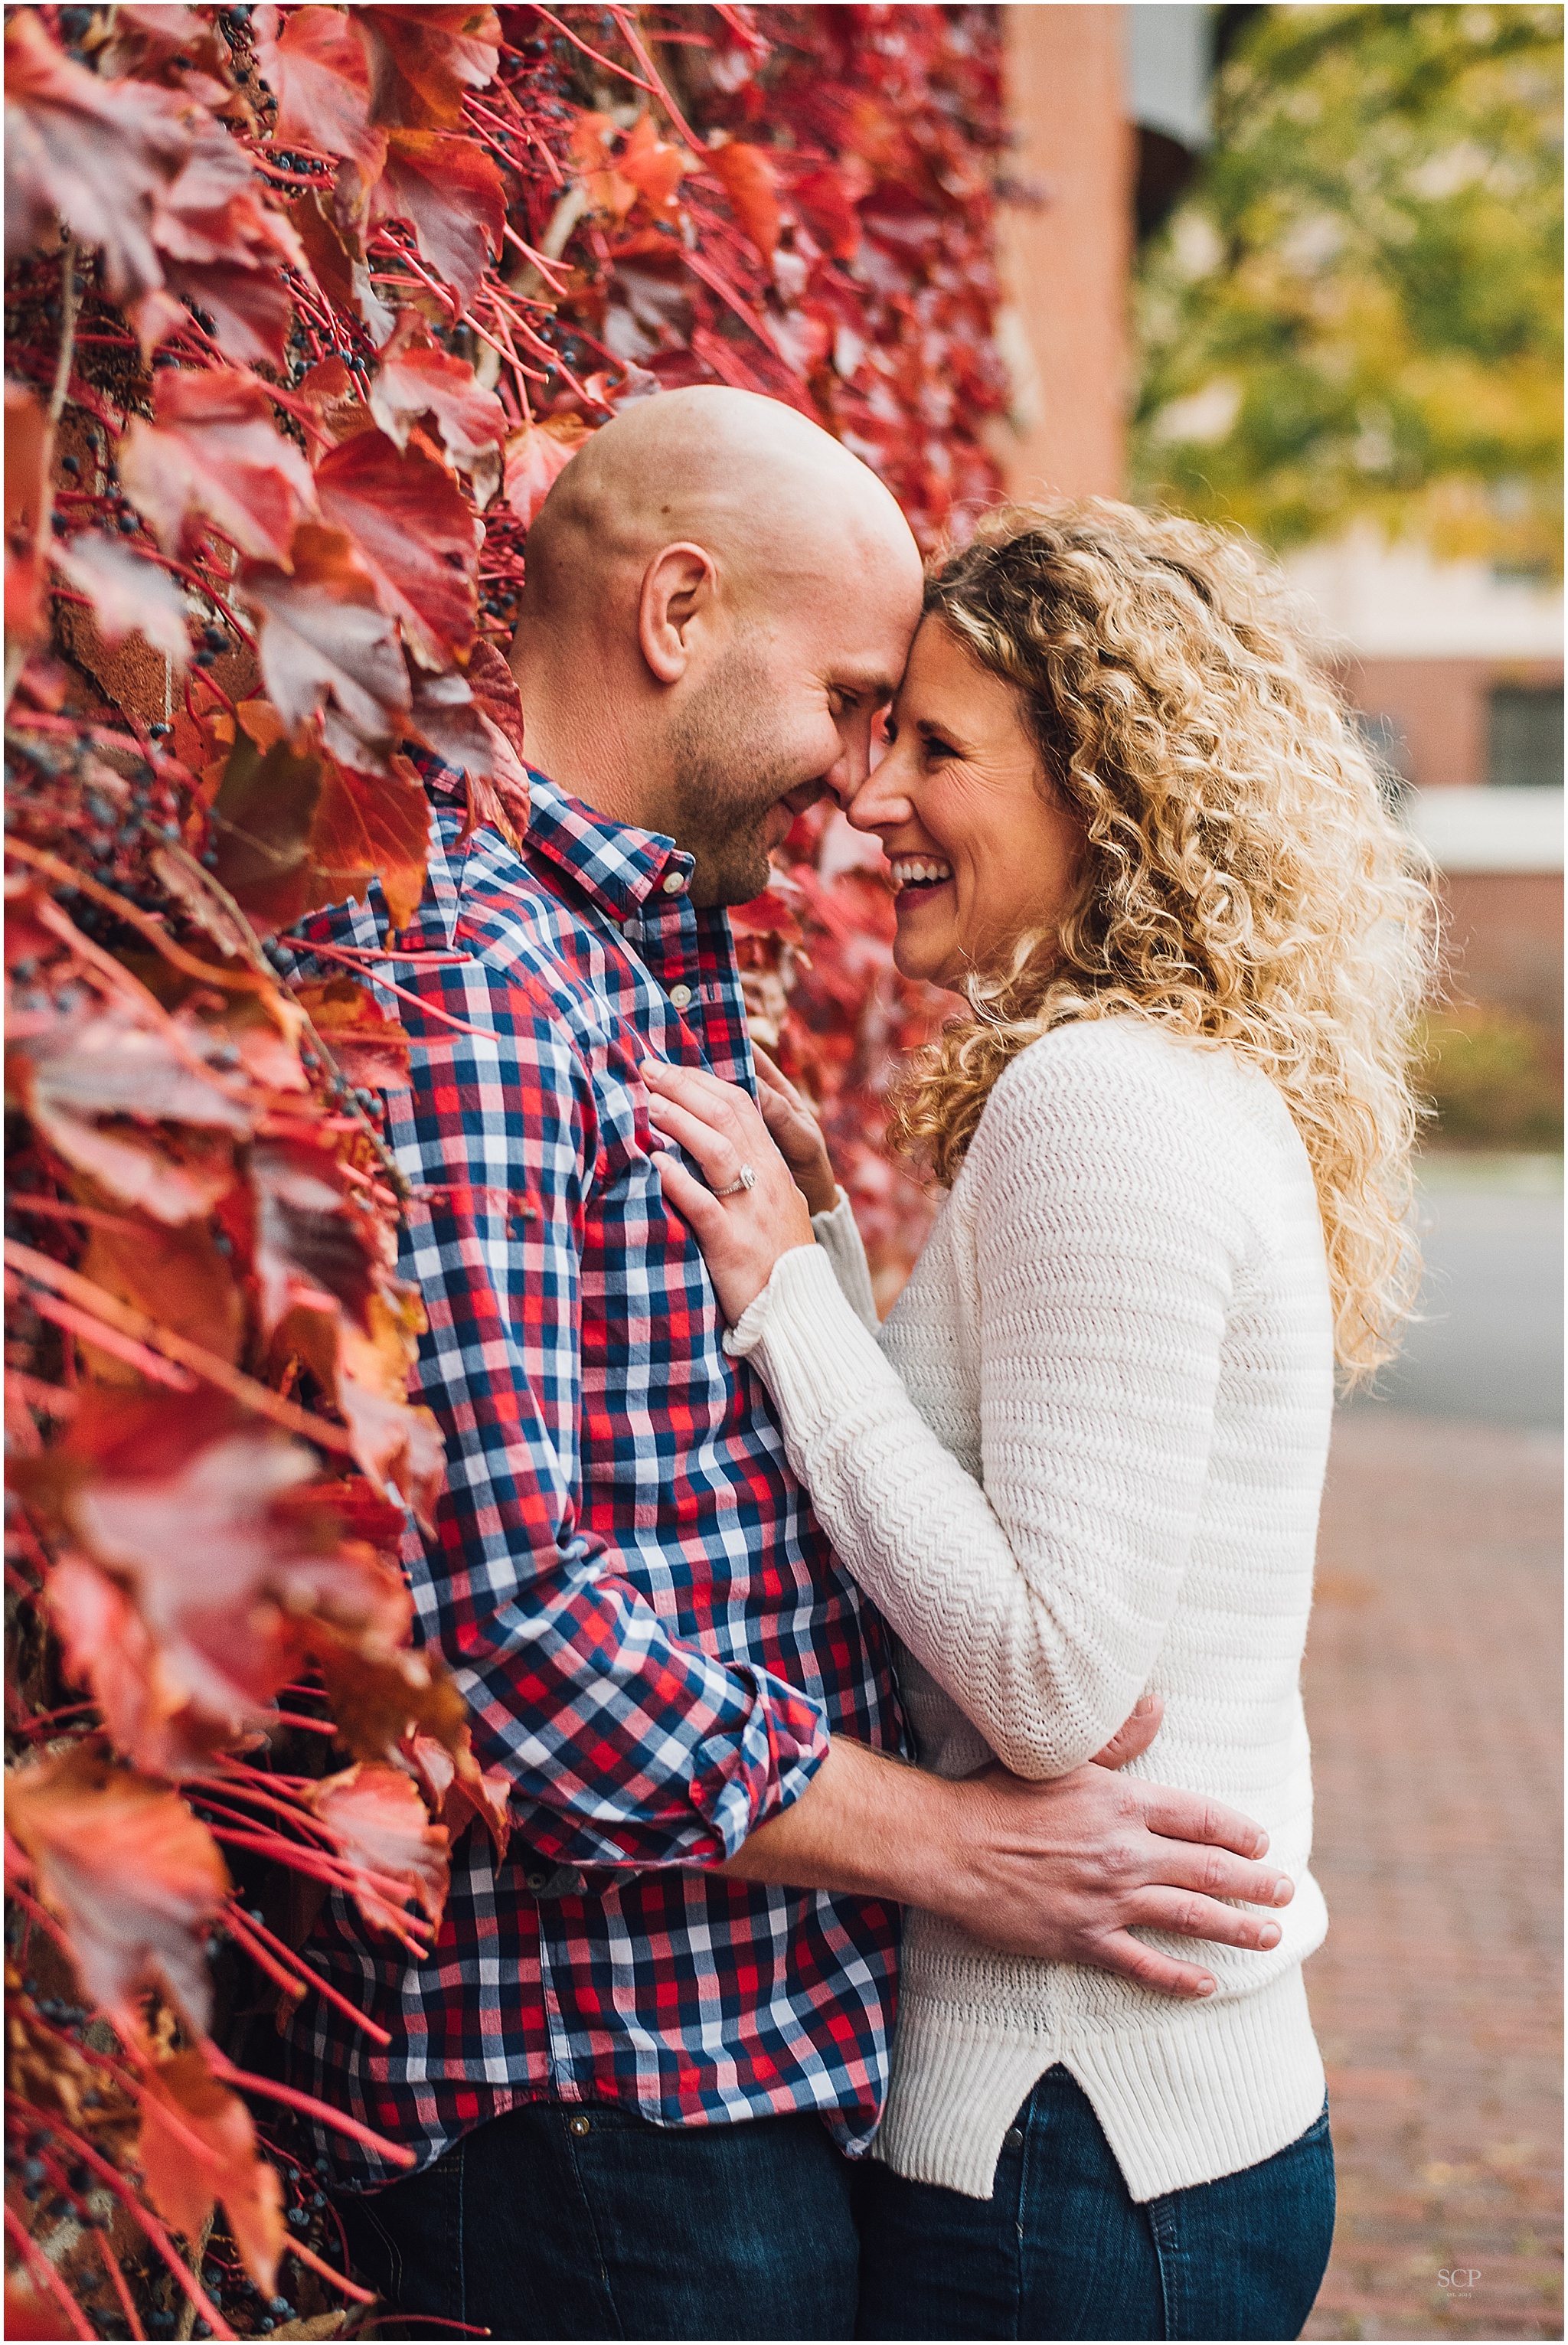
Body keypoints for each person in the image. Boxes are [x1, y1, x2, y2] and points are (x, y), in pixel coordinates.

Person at [277, 398, 1297, 2341]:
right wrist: (971, 1855)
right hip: (609, 2108)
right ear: (676, 610)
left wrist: (814, 1274)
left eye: (906, 731)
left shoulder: (640, 966)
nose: (857, 786)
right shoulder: (475, 984)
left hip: (732, 2082)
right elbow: (503, 1631)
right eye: (850, 703)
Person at [652, 498, 1434, 2341]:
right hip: (1137, 2127)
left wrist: (777, 1301)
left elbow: (1054, 1677)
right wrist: (829, 1247)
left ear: (1101, 777)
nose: (868, 802)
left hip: (1071, 2145)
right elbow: (1011, 1504)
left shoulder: (1099, 1103)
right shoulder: (1170, 1077)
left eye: (936, 745)